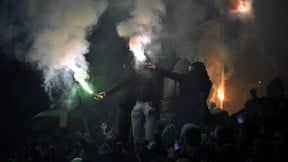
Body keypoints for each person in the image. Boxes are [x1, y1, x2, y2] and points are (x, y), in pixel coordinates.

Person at [95, 53, 163, 151]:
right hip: (133, 105)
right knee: (132, 137)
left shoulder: (154, 72)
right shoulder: (136, 72)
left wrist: (155, 105)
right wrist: (106, 93)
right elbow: (122, 82)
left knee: (147, 137)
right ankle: (132, 155)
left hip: (148, 105)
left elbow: (158, 89)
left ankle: (147, 156)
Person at [145, 61, 212, 131]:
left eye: (190, 66)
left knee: (180, 133)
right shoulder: (207, 82)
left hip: (185, 112)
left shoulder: (188, 78)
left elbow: (171, 74)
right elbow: (202, 97)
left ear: (193, 68)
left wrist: (156, 68)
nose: (188, 67)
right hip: (200, 112)